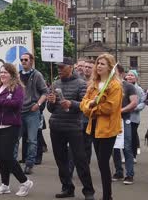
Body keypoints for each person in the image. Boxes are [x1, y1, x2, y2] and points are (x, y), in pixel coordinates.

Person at [47, 57, 95, 199]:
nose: (59, 69)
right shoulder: (55, 83)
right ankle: (67, 187)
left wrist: (71, 104)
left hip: (74, 127)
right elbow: (50, 109)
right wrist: (51, 102)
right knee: (60, 160)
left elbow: (83, 106)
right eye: (58, 67)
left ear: (70, 67)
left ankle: (88, 191)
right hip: (56, 126)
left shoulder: (81, 84)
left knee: (80, 160)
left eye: (62, 67)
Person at [0, 63, 34, 197]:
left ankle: (25, 182)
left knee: (7, 156)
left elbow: (16, 104)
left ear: (12, 75)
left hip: (10, 126)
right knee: (1, 157)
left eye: (5, 72)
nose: (2, 75)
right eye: (1, 72)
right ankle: (5, 185)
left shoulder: (17, 88)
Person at [80, 53, 122, 200]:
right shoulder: (93, 85)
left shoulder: (115, 85)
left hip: (108, 129)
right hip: (93, 127)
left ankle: (107, 196)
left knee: (103, 163)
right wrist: (89, 106)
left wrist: (92, 109)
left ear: (110, 67)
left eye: (102, 64)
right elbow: (83, 103)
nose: (98, 66)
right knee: (100, 162)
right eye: (98, 63)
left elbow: (110, 107)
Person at [15, 52, 48, 174]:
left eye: (26, 60)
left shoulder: (37, 75)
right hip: (18, 112)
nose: (23, 62)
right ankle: (11, 164)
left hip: (32, 112)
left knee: (32, 140)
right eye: (22, 60)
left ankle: (29, 164)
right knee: (14, 139)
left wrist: (38, 104)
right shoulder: (17, 76)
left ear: (31, 61)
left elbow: (45, 92)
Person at [112, 64, 138, 185]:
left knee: (126, 147)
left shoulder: (128, 86)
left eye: (115, 72)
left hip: (125, 120)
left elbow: (134, 103)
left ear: (122, 73)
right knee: (114, 147)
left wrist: (121, 111)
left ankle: (130, 174)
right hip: (112, 121)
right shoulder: (110, 86)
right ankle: (118, 172)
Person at [125, 70, 146, 162]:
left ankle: (134, 155)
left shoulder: (139, 89)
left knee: (133, 136)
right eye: (128, 75)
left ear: (136, 78)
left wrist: (134, 108)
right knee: (125, 137)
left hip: (134, 118)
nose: (129, 77)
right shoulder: (122, 87)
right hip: (124, 116)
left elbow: (143, 102)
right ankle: (126, 155)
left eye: (132, 75)